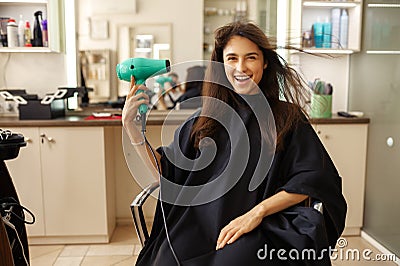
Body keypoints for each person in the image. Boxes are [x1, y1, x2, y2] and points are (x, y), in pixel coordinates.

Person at [122, 21, 346, 265]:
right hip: (198, 223)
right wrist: (133, 131)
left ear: (265, 62)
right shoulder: (203, 120)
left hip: (263, 226)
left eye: (250, 57)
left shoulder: (286, 117)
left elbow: (312, 181)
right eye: (232, 58)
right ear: (221, 65)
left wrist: (256, 213)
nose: (241, 67)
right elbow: (166, 172)